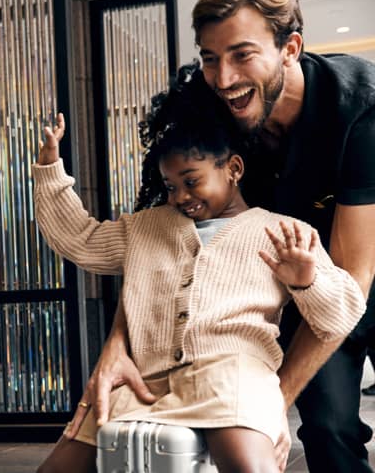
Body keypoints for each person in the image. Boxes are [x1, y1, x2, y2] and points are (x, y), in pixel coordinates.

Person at [34, 67, 366, 473]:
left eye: (192, 181)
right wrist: (51, 170)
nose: (181, 196)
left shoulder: (284, 232)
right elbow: (80, 240)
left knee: (250, 466)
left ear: (234, 169)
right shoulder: (145, 227)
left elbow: (342, 313)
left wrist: (308, 281)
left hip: (232, 375)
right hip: (144, 382)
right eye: (171, 186)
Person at [192, 0, 375, 470]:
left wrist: (276, 397)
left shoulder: (362, 106)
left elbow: (354, 276)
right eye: (210, 57)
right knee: (327, 427)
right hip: (308, 279)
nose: (223, 77)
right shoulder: (210, 109)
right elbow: (165, 233)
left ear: (290, 47)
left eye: (242, 54)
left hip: (357, 265)